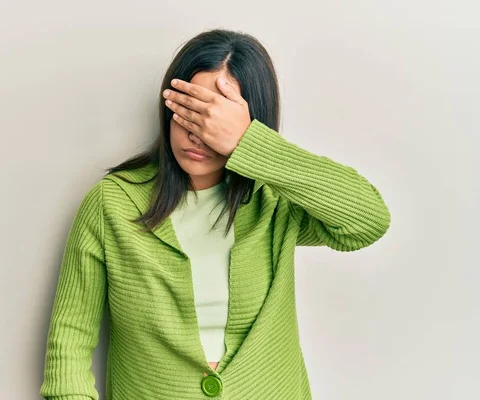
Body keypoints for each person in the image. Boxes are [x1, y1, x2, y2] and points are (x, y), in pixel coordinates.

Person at [39, 28, 391, 400]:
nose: (197, 134)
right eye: (189, 112)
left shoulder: (273, 201)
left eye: (216, 120)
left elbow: (368, 220)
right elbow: (69, 345)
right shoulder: (112, 204)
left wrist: (250, 145)